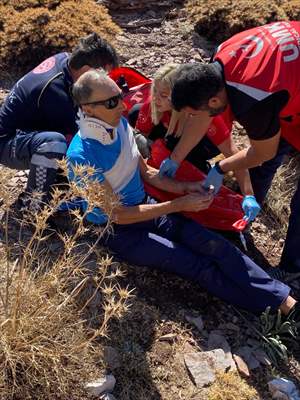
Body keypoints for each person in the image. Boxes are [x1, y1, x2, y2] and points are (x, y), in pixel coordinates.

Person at [66, 68, 300, 319]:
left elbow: (147, 174)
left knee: (216, 245)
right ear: (88, 110)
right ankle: (272, 311)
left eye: (120, 95)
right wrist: (179, 204)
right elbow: (117, 215)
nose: (122, 106)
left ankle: (286, 302)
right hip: (118, 232)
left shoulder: (120, 126)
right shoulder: (81, 157)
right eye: (112, 102)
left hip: (145, 206)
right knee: (197, 265)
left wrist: (185, 188)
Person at [169, 21, 300, 276]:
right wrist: (175, 159)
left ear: (216, 100)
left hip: (284, 87)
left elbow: (263, 152)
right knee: (262, 163)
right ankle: (239, 221)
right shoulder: (222, 56)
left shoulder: (253, 98)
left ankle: (292, 270)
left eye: (193, 110)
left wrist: (221, 167)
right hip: (289, 84)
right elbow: (204, 116)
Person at [0, 32, 118, 211]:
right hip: (7, 142)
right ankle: (33, 206)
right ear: (87, 70)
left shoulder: (67, 60)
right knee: (55, 144)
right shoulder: (55, 91)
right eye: (104, 75)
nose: (105, 79)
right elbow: (81, 135)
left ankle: (56, 183)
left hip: (29, 130)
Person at [130, 63, 260, 222]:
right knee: (135, 113)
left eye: (164, 95)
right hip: (172, 135)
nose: (156, 98)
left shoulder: (204, 116)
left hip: (203, 143)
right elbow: (140, 136)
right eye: (154, 90)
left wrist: (248, 194)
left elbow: (234, 154)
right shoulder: (153, 105)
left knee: (186, 151)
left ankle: (198, 165)